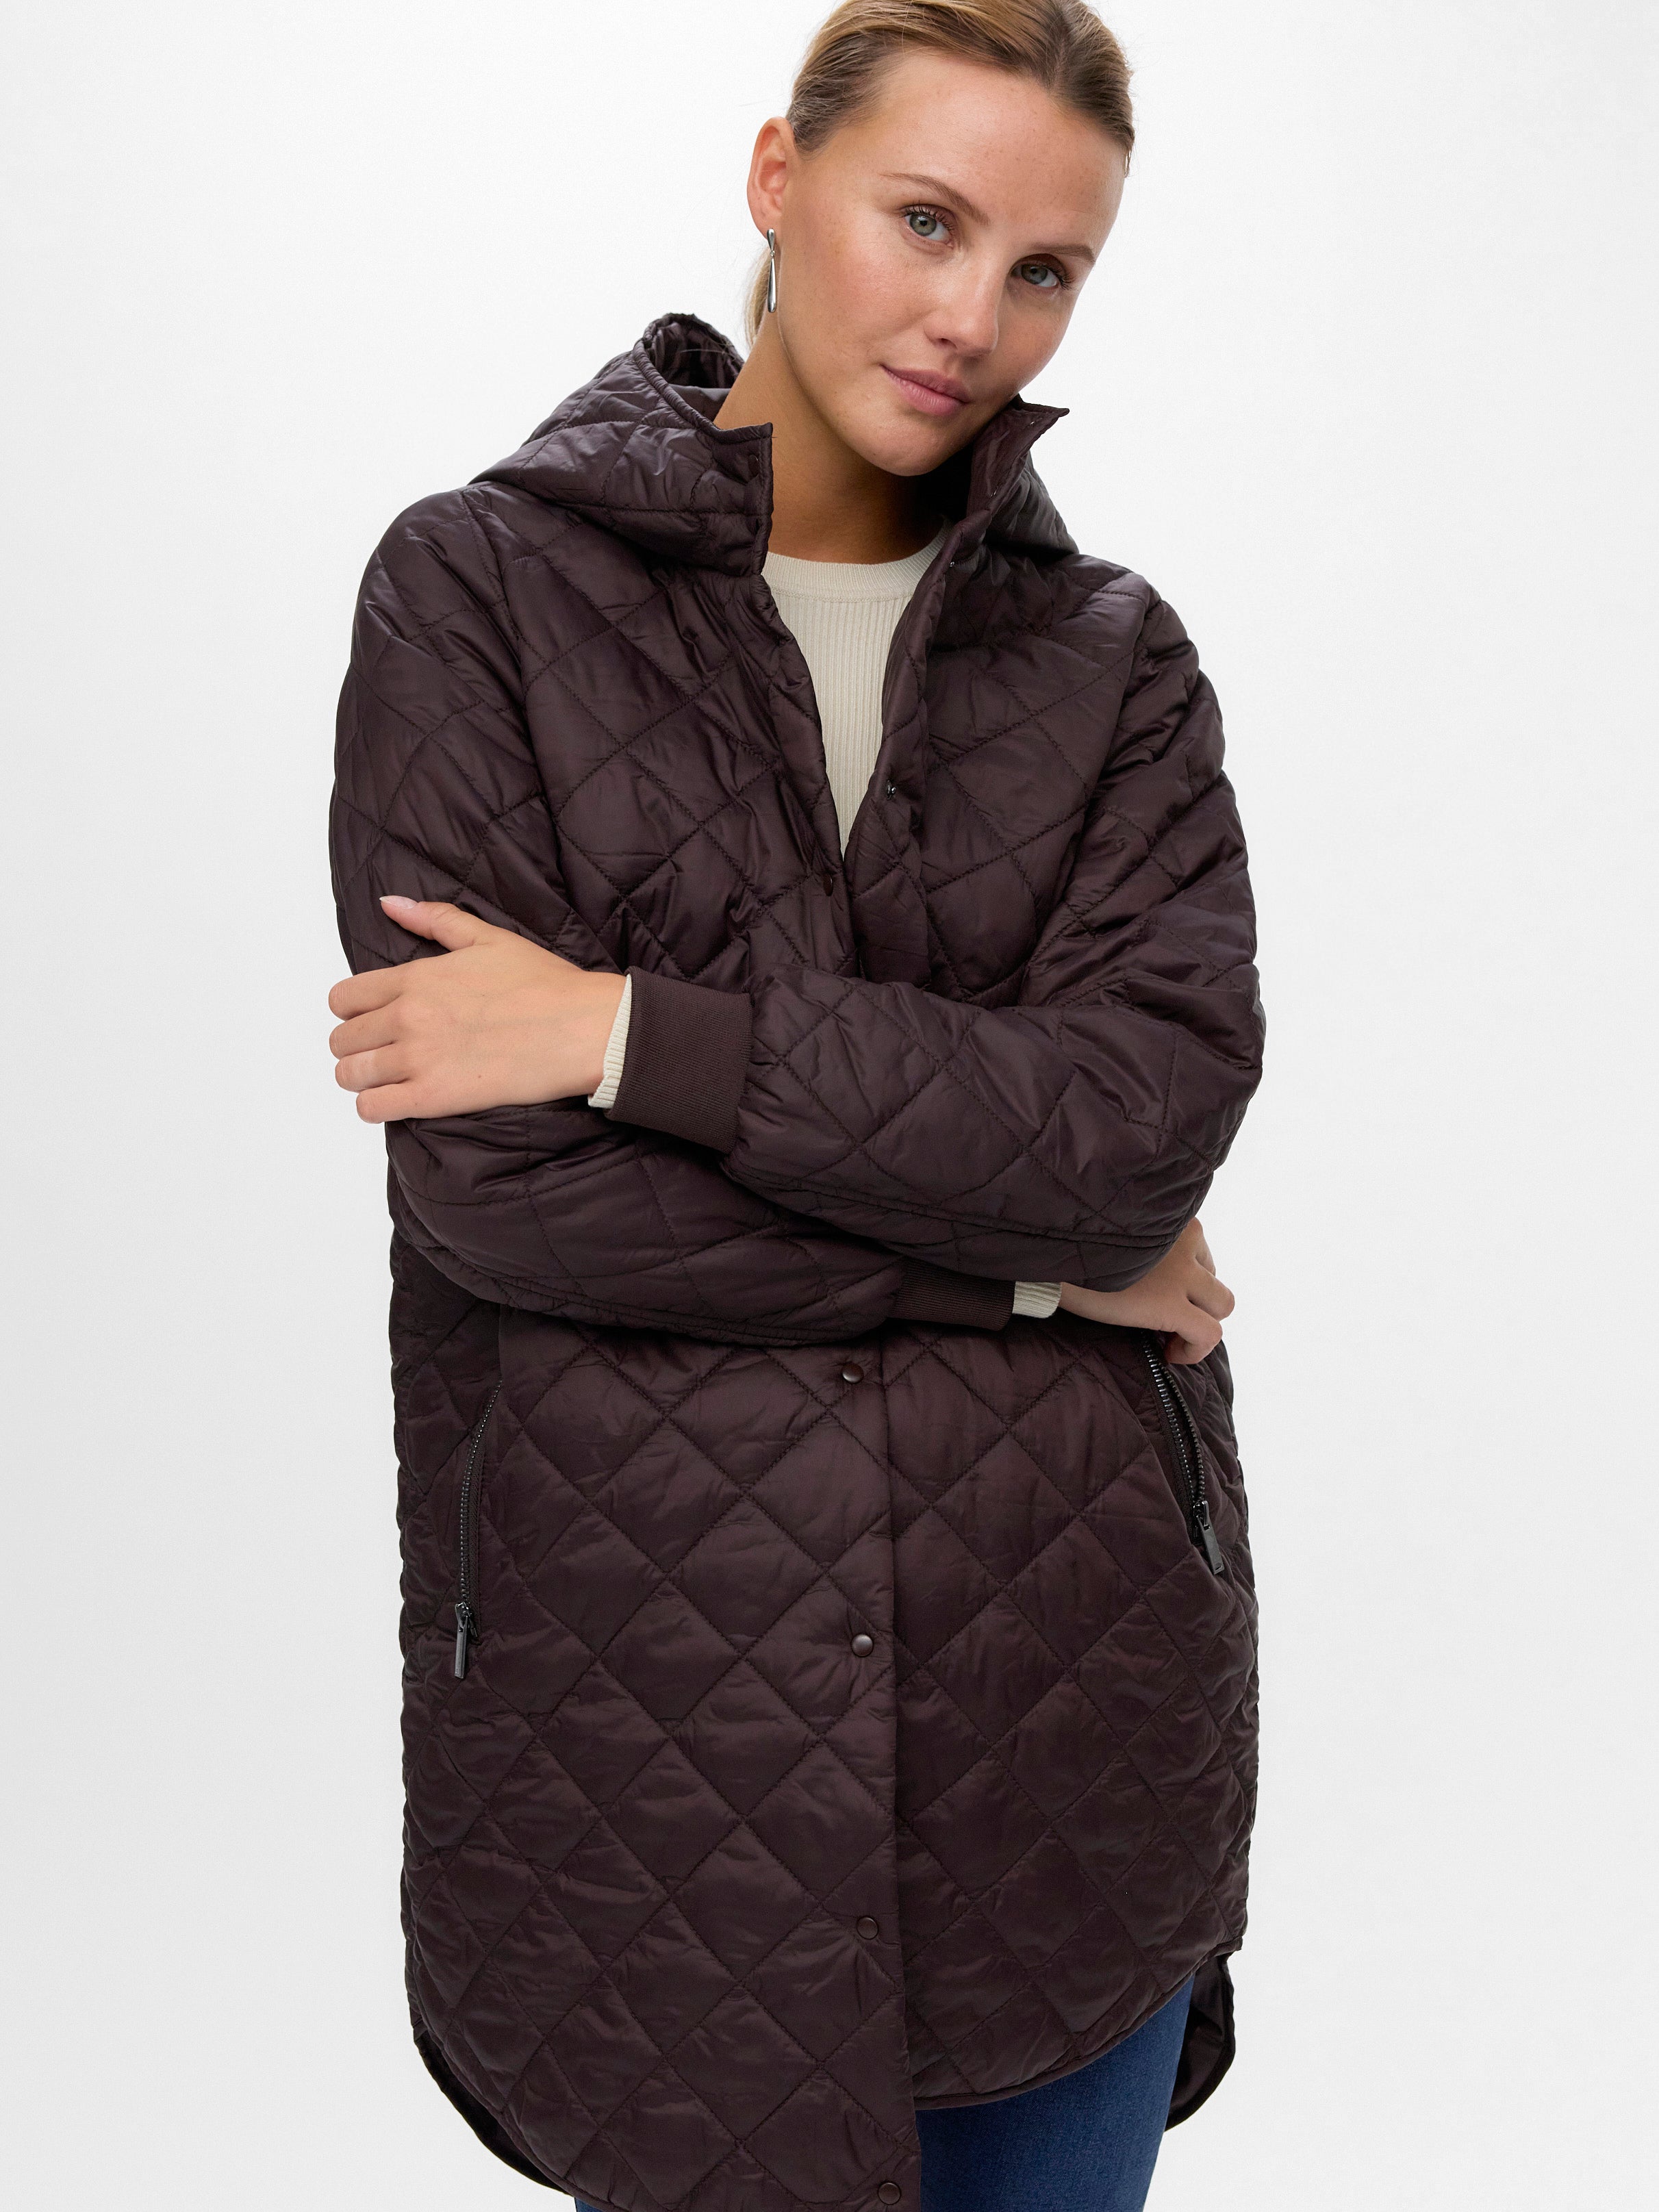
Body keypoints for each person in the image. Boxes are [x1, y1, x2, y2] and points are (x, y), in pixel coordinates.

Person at [325, 5, 1264, 2209]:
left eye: (1044, 268)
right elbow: (510, 1196)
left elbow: (1139, 1126)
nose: (972, 317)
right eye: (924, 221)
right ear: (777, 178)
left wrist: (631, 1038)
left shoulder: (1117, 665)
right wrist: (1043, 1275)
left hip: (1072, 1725)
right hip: (650, 1736)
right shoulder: (478, 594)